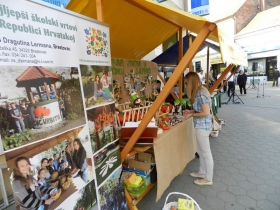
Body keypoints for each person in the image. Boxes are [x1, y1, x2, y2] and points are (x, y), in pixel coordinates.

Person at [183, 72, 213, 186]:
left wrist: (192, 115)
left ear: (191, 82)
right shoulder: (200, 91)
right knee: (201, 151)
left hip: (203, 126)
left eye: (186, 83)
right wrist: (191, 111)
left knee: (206, 153)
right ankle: (202, 172)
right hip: (202, 125)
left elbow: (205, 112)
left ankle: (208, 178)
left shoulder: (200, 93)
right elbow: (201, 109)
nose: (185, 85)